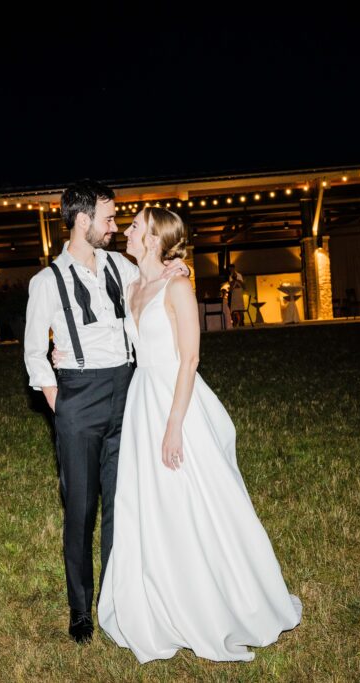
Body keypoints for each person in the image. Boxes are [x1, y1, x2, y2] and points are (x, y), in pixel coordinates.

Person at [97, 207, 301, 663]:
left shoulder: (179, 286)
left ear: (152, 239)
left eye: (134, 227)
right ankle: (157, 597)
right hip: (141, 400)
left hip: (175, 400)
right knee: (147, 501)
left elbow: (189, 358)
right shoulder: (133, 283)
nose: (125, 231)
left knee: (196, 498)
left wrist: (174, 425)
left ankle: (218, 599)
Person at [23, 179, 187, 644]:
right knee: (81, 509)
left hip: (128, 390)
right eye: (109, 219)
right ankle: (80, 611)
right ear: (82, 221)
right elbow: (35, 354)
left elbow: (156, 280)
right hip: (78, 396)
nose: (115, 227)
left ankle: (115, 600)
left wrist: (181, 270)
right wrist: (63, 407)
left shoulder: (120, 265)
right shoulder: (45, 282)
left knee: (122, 504)